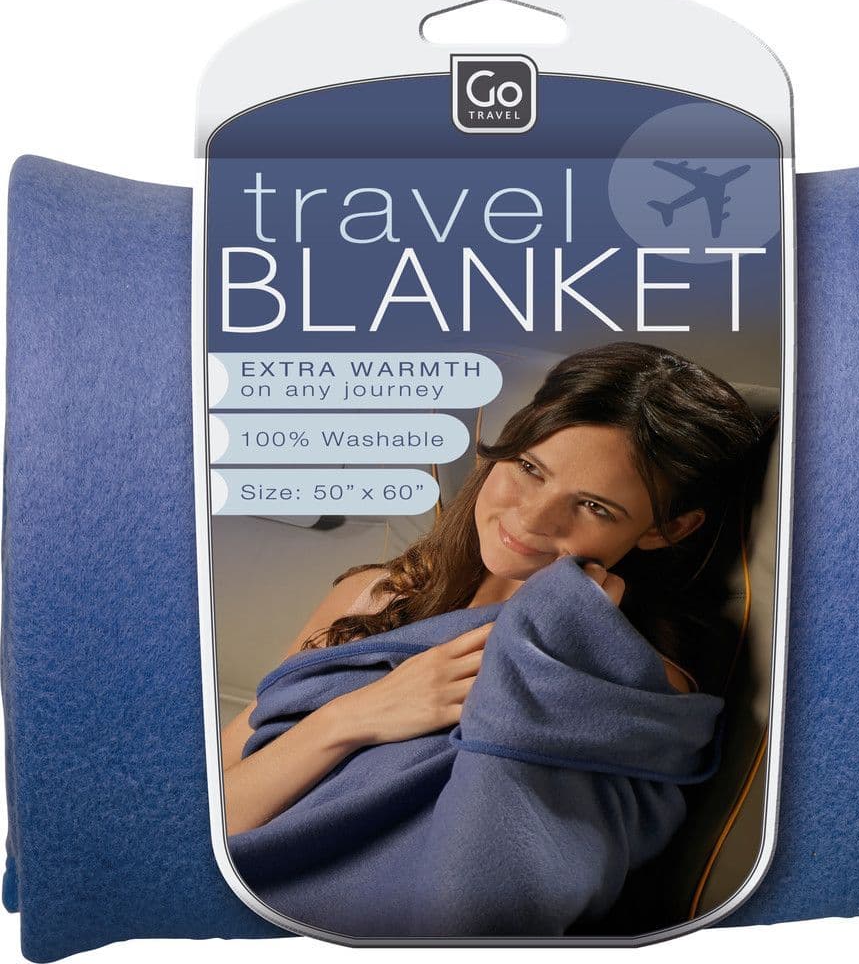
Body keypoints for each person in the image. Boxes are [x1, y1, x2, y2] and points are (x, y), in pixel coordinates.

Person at [220, 341, 762, 838]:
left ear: (666, 528)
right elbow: (211, 803)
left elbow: (493, 870)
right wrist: (354, 716)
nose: (532, 518)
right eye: (530, 468)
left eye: (594, 506)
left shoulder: (632, 683)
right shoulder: (375, 596)